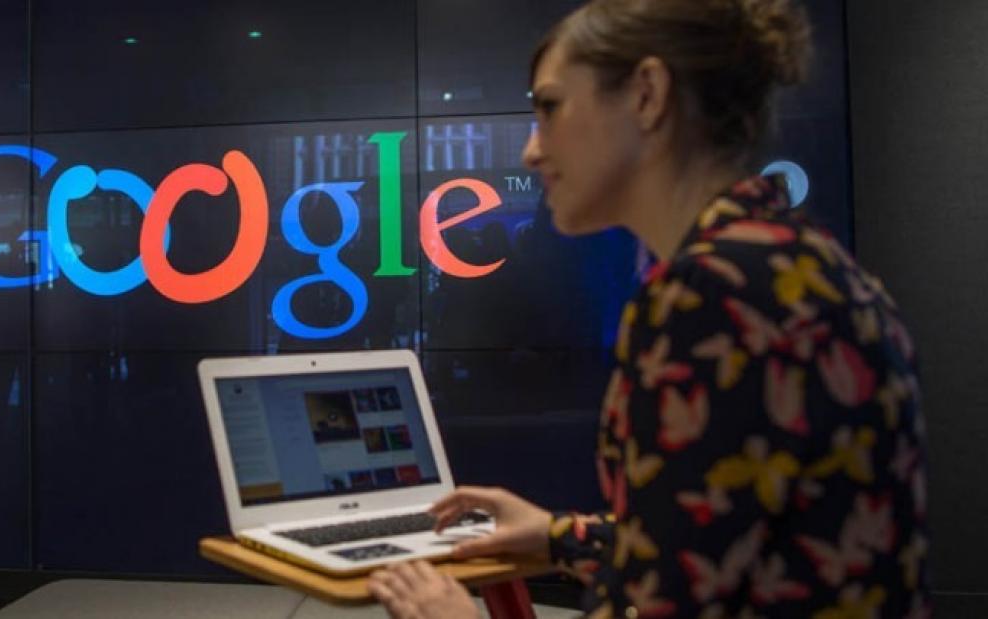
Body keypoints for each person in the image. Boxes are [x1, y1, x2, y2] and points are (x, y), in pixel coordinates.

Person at [368, 0, 930, 617]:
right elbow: (735, 543)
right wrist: (561, 536)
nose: (531, 150)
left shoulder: (706, 295)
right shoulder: (800, 264)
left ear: (646, 95)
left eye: (549, 108)